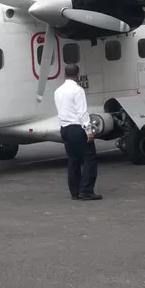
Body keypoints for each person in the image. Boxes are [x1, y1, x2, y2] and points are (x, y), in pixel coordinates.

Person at [54, 64, 101, 201]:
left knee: (73, 160)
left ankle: (74, 192)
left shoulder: (58, 91)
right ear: (77, 75)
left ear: (65, 74)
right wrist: (88, 130)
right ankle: (86, 190)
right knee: (89, 157)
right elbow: (82, 112)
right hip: (77, 128)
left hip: (65, 128)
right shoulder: (77, 90)